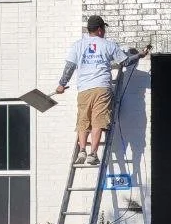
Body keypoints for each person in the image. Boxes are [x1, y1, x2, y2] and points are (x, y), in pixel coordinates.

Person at [55, 15, 149, 166]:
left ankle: (82, 150)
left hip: (84, 89)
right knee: (98, 121)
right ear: (99, 30)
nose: (104, 31)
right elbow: (125, 61)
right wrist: (140, 55)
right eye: (104, 28)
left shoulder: (77, 45)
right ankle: (92, 154)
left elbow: (69, 67)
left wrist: (61, 84)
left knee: (83, 120)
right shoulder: (108, 45)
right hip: (102, 88)